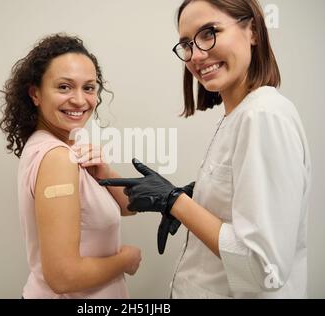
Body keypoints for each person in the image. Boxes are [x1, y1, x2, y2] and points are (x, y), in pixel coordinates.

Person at [100, 0, 311, 298]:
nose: (197, 55)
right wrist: (196, 200)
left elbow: (264, 267)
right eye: (186, 44)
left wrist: (174, 201)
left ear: (252, 31)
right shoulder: (237, 116)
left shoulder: (263, 115)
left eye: (209, 33)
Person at [0, 34, 141, 299]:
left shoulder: (59, 148)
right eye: (64, 87)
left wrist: (104, 172)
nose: (79, 100)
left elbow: (129, 207)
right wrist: (125, 260)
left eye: (88, 88)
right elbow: (63, 277)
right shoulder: (57, 158)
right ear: (35, 93)